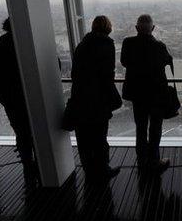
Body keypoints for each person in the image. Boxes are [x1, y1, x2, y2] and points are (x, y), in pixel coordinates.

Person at [71, 16, 121, 180]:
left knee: (84, 138)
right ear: (108, 27)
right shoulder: (107, 44)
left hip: (80, 97)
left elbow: (75, 73)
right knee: (100, 136)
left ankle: (88, 170)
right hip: (98, 99)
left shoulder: (81, 45)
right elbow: (108, 74)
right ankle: (103, 170)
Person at [121, 14, 172, 173]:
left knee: (141, 128)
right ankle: (154, 161)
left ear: (136, 28)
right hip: (156, 95)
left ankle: (142, 161)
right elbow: (168, 61)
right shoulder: (159, 46)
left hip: (138, 95)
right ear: (153, 28)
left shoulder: (128, 43)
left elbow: (124, 62)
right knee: (155, 128)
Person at [0, 18, 37, 181]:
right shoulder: (28, 47)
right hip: (31, 97)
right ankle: (40, 164)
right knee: (36, 131)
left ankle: (27, 164)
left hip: (10, 98)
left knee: (21, 132)